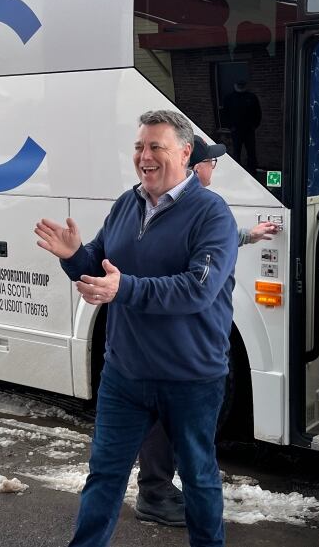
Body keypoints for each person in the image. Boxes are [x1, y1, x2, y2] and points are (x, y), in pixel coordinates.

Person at [35, 110, 239, 547]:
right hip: (125, 374)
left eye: (156, 147)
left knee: (200, 479)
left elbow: (195, 291)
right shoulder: (126, 204)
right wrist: (74, 257)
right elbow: (100, 264)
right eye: (139, 147)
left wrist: (122, 288)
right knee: (104, 475)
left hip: (191, 377)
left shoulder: (212, 214)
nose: (144, 156)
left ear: (185, 153)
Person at [134, 135, 279, 527]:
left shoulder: (193, 207)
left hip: (191, 334)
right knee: (170, 412)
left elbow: (209, 247)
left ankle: (164, 488)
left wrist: (250, 234)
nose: (215, 167)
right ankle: (155, 493)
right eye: (211, 162)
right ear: (194, 166)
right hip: (181, 335)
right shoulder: (188, 207)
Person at [223, 80, 261, 178]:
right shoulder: (229, 98)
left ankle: (253, 173)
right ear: (235, 85)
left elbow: (258, 113)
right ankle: (237, 173)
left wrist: (254, 126)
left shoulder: (252, 97)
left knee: (251, 152)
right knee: (236, 152)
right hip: (236, 130)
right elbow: (225, 114)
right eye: (238, 84)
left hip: (249, 130)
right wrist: (230, 126)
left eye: (242, 84)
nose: (240, 86)